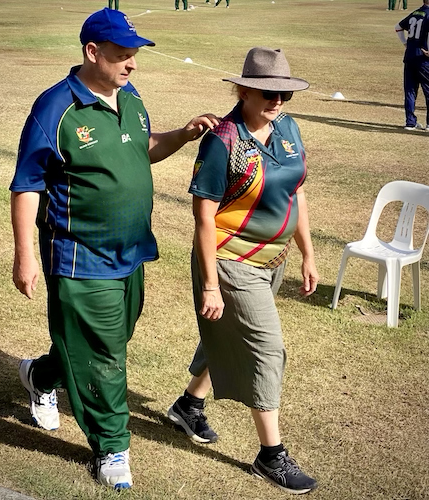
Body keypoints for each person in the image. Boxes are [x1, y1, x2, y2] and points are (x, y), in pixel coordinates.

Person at [10, 7, 218, 491]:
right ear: (92, 52)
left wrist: (183, 136)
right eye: (123, 56)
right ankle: (111, 447)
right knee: (105, 356)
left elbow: (141, 146)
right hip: (81, 258)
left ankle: (41, 377)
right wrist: (25, 255)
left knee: (104, 342)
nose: (132, 65)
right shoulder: (55, 108)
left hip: (131, 252)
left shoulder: (130, 97)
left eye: (135, 56)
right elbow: (26, 186)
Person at [167, 47, 319, 495]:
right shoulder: (223, 140)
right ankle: (270, 457)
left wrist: (307, 253)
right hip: (231, 261)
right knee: (267, 350)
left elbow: (298, 195)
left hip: (274, 259)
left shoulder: (287, 128)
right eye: (268, 92)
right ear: (243, 89)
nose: (277, 102)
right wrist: (211, 285)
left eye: (285, 95)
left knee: (230, 335)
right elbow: (204, 218)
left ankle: (188, 406)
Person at [395, 0, 429, 130]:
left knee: (410, 91)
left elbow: (398, 27)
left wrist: (405, 43)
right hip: (423, 59)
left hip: (409, 56)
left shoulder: (415, 13)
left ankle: (410, 122)